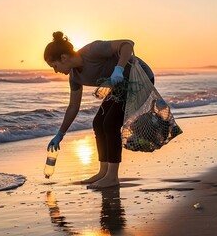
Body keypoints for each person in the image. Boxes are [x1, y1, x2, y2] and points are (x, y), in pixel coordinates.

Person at [44, 31, 154, 189]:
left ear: (63, 57)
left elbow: (127, 44)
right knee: (98, 123)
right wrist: (60, 133)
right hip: (121, 85)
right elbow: (73, 106)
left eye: (55, 66)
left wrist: (119, 69)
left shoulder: (92, 51)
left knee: (110, 124)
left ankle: (112, 177)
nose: (55, 70)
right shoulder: (74, 77)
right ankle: (103, 172)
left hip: (141, 79)